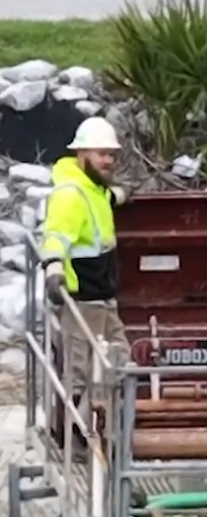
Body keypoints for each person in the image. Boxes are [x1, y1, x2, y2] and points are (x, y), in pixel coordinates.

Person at [40, 116, 132, 446]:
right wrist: (53, 269)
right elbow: (55, 237)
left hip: (102, 299)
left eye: (111, 154)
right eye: (101, 154)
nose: (108, 160)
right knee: (79, 373)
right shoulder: (70, 194)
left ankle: (95, 430)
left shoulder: (93, 189)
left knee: (118, 359)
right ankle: (74, 440)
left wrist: (121, 195)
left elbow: (102, 202)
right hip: (82, 301)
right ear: (82, 154)